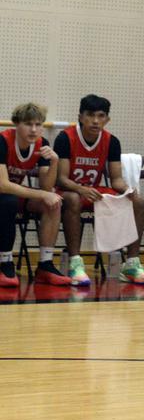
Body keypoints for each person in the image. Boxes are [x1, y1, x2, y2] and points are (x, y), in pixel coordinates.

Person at [53, 95, 144, 286]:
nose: (96, 121)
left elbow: (116, 180)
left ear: (107, 119)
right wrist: (81, 189)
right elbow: (62, 179)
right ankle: (75, 263)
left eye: (101, 116)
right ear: (80, 117)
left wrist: (127, 189)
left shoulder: (111, 141)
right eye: (90, 115)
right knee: (74, 198)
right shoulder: (65, 138)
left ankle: (131, 264)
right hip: (69, 190)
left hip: (94, 190)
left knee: (137, 202)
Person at [0, 103, 69, 287]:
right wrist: (42, 194)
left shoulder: (42, 145)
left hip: (12, 194)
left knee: (53, 203)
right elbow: (3, 185)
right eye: (28, 124)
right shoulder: (2, 140)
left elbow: (46, 186)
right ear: (16, 124)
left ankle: (45, 265)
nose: (34, 129)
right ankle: (5, 261)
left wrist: (54, 162)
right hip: (4, 193)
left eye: (38, 124)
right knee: (8, 201)